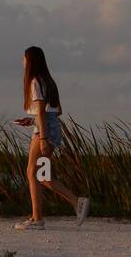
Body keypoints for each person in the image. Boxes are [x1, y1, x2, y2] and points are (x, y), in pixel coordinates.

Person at [14, 45, 89, 230]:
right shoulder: (49, 81)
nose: (22, 61)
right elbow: (57, 111)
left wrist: (42, 137)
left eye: (24, 58)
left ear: (30, 61)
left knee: (32, 172)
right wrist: (32, 122)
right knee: (42, 175)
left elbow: (41, 110)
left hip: (44, 130)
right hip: (50, 126)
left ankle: (37, 219)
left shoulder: (34, 81)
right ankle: (75, 202)